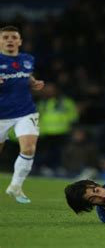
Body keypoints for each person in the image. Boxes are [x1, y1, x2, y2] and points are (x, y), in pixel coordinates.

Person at [0, 25, 44, 204]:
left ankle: (16, 186)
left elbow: (26, 76)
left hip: (25, 111)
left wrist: (34, 83)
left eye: (13, 37)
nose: (10, 40)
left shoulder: (28, 59)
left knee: (28, 148)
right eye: (5, 37)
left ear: (19, 41)